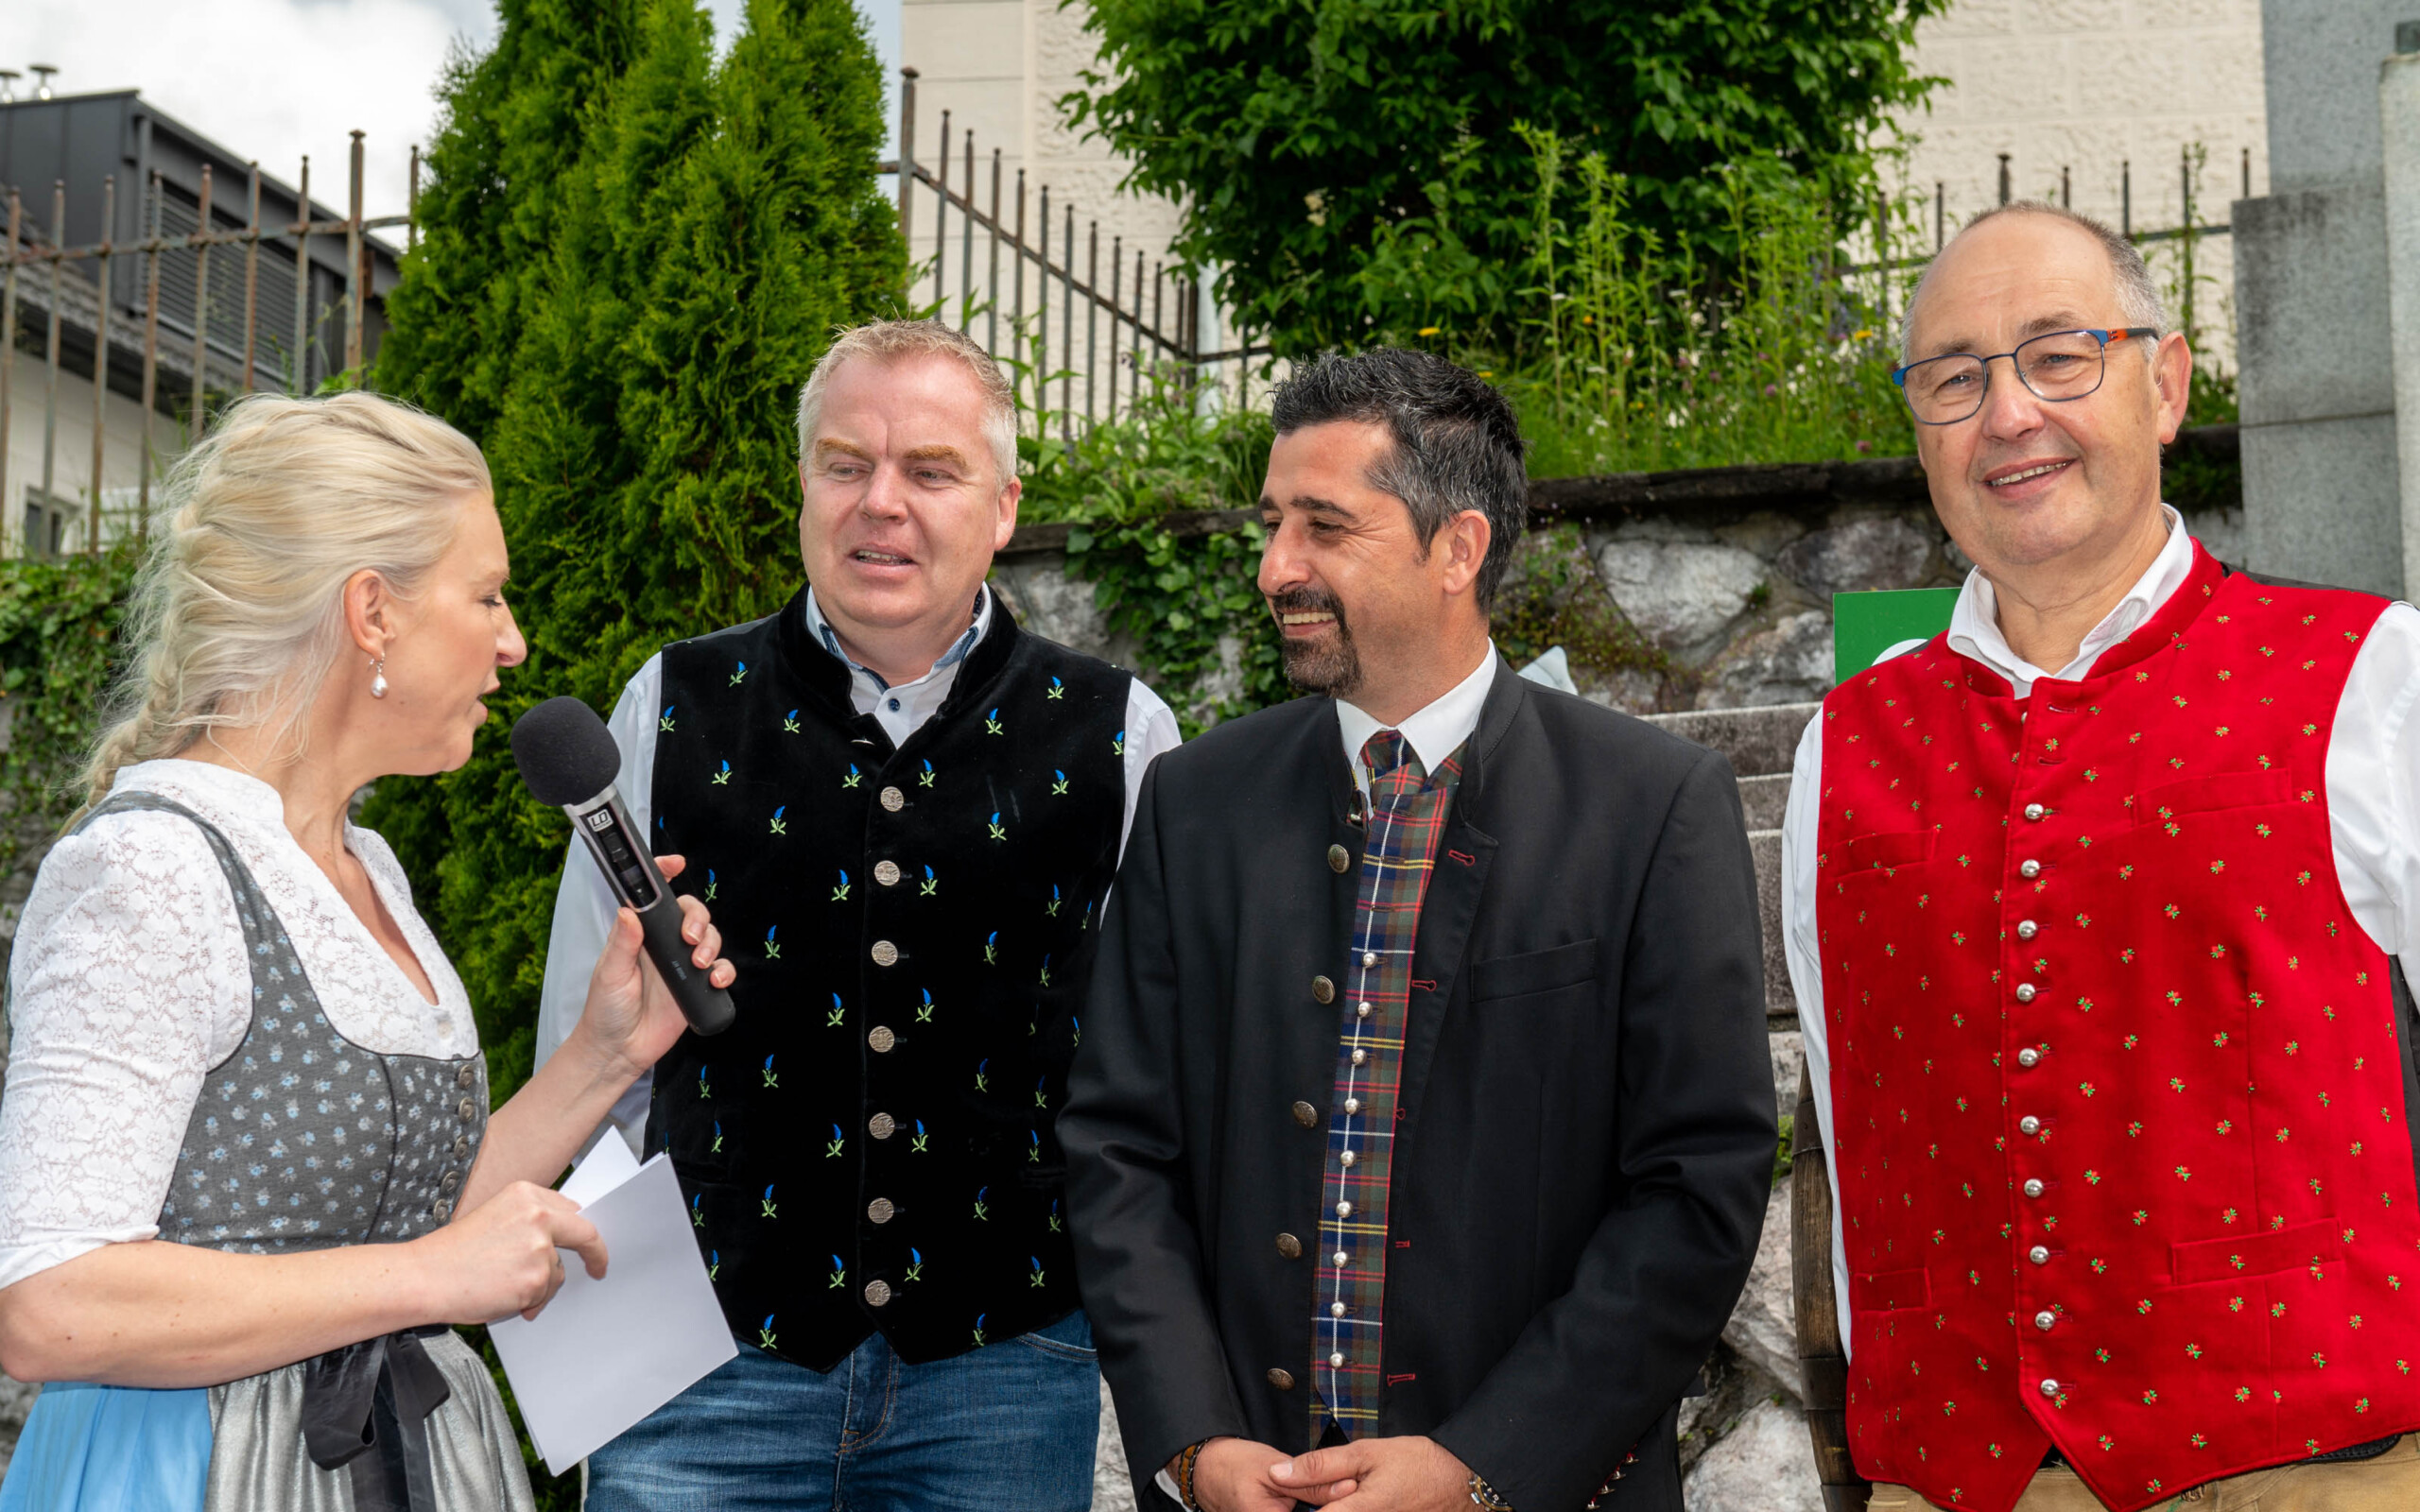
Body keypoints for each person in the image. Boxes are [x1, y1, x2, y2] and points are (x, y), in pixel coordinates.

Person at [1060, 348, 1776, 1512]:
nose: (1274, 566)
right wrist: (1194, 1444)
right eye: (1272, 523)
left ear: (1458, 549)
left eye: (1323, 526)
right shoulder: (1195, 802)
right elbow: (1117, 1148)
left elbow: (1697, 1186)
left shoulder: (1650, 807)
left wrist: (1485, 1463)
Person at [1785, 202, 2420, 1512]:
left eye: (2059, 356)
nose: (2008, 413)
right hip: (1956, 1480)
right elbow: (1849, 1131)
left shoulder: (2370, 675)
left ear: (2166, 384)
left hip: (2313, 1472)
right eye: (1953, 379)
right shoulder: (1843, 745)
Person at [0, 392, 735, 1511]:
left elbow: (414, 1219)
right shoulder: (149, 870)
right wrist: (428, 1277)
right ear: (371, 611)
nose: (512, 640)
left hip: (403, 1457)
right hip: (200, 1473)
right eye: (486, 594)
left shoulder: (365, 866)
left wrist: (606, 1053)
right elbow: (49, 1301)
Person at [536, 318, 1182, 1510]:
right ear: (804, 485)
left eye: (930, 470)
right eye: (846, 464)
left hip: (1004, 1367)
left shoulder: (1123, 733)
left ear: (1003, 507)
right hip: (701, 1364)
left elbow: (1155, 1070)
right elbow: (585, 1049)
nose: (881, 502)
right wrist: (605, 1331)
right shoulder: (670, 701)